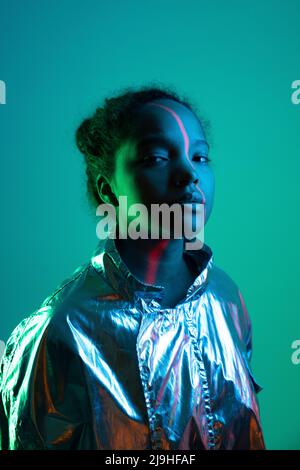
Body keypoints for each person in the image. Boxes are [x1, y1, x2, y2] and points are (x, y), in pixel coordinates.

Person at [0, 84, 265, 450]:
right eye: (157, 157)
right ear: (108, 191)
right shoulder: (59, 331)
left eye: (200, 157)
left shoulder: (226, 298)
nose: (189, 174)